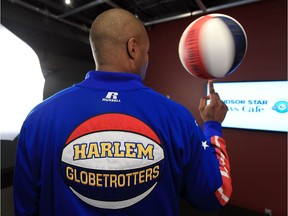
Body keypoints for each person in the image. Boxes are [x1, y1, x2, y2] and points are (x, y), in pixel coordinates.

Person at [13, 8, 232, 216]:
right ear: (133, 48)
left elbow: (25, 208)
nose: (147, 60)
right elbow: (213, 196)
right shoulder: (176, 117)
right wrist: (212, 126)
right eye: (147, 53)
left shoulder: (39, 118)